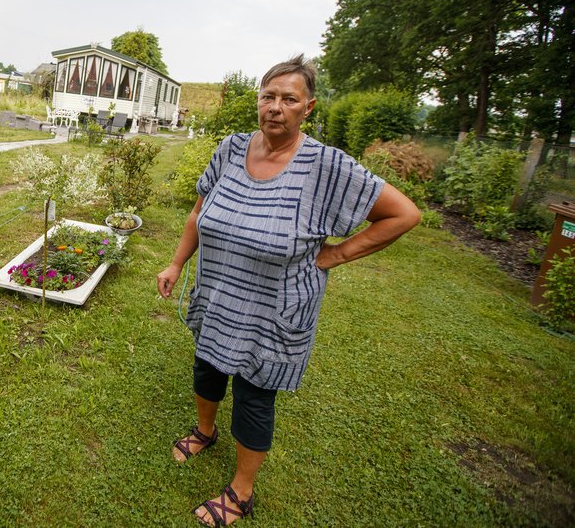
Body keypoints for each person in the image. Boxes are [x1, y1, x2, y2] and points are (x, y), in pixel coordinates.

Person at [156, 55, 420, 526]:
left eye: (289, 99)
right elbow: (199, 211)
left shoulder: (327, 166)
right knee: (208, 366)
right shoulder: (231, 148)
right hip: (219, 292)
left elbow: (404, 214)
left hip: (274, 307)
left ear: (308, 108)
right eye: (268, 96)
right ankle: (204, 430)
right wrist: (177, 262)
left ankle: (241, 493)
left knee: (256, 394)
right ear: (258, 102)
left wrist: (336, 255)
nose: (276, 107)